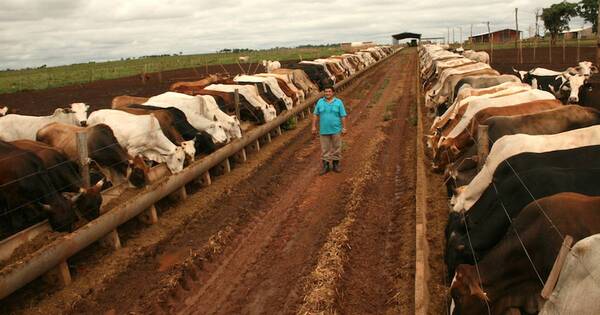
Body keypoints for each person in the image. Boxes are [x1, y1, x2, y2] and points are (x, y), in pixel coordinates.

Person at [311, 86, 347, 175]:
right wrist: (313, 126)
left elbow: (343, 115)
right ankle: (326, 166)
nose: (327, 93)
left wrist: (344, 127)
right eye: (326, 91)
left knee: (337, 147)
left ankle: (336, 164)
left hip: (336, 129)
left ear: (333, 92)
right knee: (325, 148)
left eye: (329, 91)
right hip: (323, 130)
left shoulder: (338, 102)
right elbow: (315, 114)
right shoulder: (320, 102)